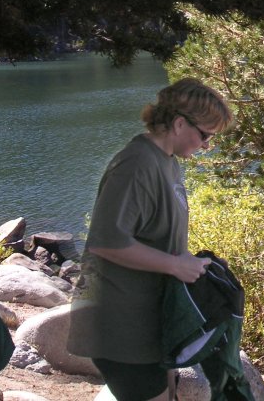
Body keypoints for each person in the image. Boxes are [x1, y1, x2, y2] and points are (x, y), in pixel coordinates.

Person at [68, 78, 228, 401]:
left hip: (150, 324)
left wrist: (189, 266)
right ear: (179, 123)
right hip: (122, 328)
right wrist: (175, 265)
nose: (207, 145)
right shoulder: (136, 164)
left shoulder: (168, 162)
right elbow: (106, 241)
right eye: (205, 136)